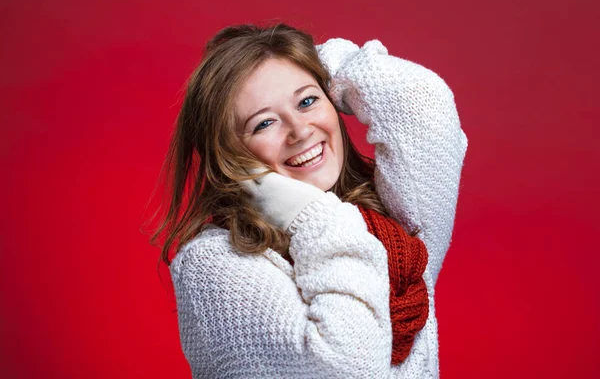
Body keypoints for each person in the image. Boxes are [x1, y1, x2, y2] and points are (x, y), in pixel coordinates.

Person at [150, 22, 468, 378]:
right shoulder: (211, 264)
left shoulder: (390, 226)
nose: (300, 131)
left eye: (307, 100)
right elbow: (349, 367)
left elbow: (425, 104)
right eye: (264, 124)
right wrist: (311, 214)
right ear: (229, 155)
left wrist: (319, 59)